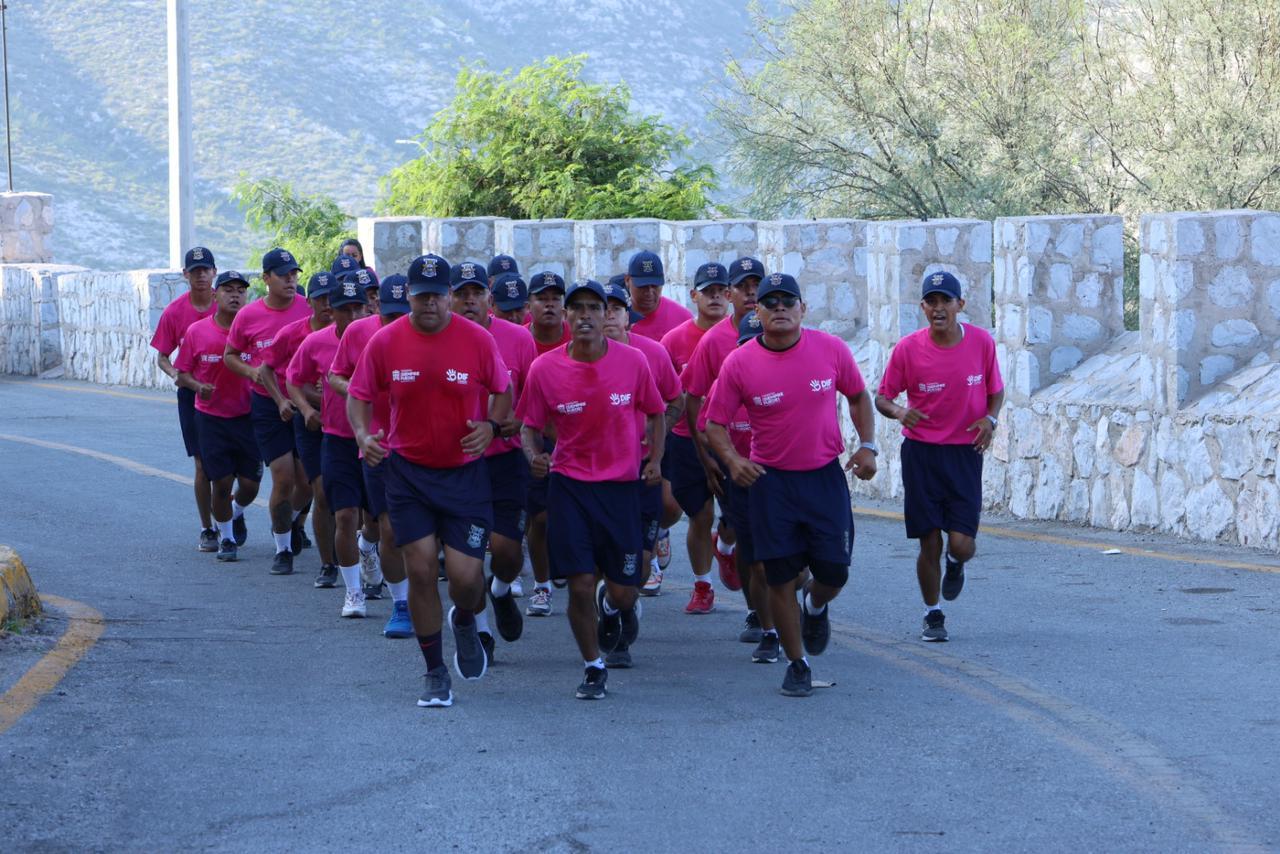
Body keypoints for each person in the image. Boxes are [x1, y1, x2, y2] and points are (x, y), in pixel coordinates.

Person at [348, 254, 513, 709]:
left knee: (466, 579)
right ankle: (435, 672)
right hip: (408, 474)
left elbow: (504, 389)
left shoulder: (477, 340)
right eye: (420, 297)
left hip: (464, 476)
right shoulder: (385, 342)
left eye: (437, 297)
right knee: (420, 569)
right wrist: (364, 435)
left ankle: (464, 618)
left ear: (448, 298)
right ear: (409, 298)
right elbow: (359, 396)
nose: (429, 306)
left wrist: (492, 427)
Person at [704, 272, 878, 698]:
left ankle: (814, 607)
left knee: (834, 570)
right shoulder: (739, 362)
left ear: (803, 309)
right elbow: (714, 422)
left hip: (823, 477)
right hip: (770, 482)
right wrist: (732, 460)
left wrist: (868, 446)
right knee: (778, 575)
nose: (779, 308)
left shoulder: (830, 349)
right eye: (770, 302)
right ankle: (797, 662)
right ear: (756, 311)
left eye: (788, 301)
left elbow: (857, 395)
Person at [517, 279, 665, 699]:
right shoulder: (545, 369)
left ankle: (615, 605)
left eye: (593, 308)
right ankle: (593, 665)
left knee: (624, 588)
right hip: (570, 488)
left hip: (621, 489)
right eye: (576, 308)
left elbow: (656, 414)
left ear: (608, 316)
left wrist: (653, 460)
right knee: (580, 582)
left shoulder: (634, 362)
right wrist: (534, 457)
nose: (584, 315)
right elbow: (529, 428)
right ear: (566, 316)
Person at [874, 271, 1004, 643]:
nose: (938, 308)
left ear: (960, 305)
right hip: (922, 453)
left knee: (962, 544)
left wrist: (990, 420)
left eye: (946, 300)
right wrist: (900, 412)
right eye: (931, 301)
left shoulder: (981, 343)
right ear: (923, 307)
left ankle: (955, 563)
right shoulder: (908, 349)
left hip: (965, 454)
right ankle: (933, 614)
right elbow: (882, 398)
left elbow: (996, 391)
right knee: (928, 539)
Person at [452, 260, 537, 661]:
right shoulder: (438, 339)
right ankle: (480, 630)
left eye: (476, 294)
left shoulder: (519, 338)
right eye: (461, 295)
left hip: (506, 459)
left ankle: (501, 590)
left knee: (506, 551)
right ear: (449, 298)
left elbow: (532, 398)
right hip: (459, 461)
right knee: (467, 556)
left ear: (489, 295)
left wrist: (517, 420)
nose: (470, 302)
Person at [680, 257, 764, 637]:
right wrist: (707, 457)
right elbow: (692, 398)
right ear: (730, 294)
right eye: (743, 286)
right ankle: (755, 610)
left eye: (756, 285)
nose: (750, 293)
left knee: (756, 532)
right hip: (730, 454)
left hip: (776, 454)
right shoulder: (714, 342)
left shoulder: (786, 330)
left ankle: (725, 546)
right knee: (746, 533)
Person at [287, 273, 375, 618]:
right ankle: (350, 589)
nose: (353, 317)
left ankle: (367, 549)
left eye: (359, 309)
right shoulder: (315, 343)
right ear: (331, 311)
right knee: (342, 511)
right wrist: (307, 409)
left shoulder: (379, 339)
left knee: (377, 521)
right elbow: (294, 380)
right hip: (336, 437)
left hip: (374, 438)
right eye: (345, 310)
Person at [329, 274, 412, 639]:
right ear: (376, 306)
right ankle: (402, 604)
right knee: (389, 529)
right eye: (388, 314)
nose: (395, 323)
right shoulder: (361, 334)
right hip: (379, 445)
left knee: (425, 536)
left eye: (402, 314)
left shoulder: (436, 335)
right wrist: (359, 391)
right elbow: (335, 375)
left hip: (428, 449)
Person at [698, 311, 781, 663]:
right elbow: (705, 425)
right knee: (754, 556)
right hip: (742, 478)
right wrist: (721, 461)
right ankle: (763, 621)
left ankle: (795, 602)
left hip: (783, 476)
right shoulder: (730, 379)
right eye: (746, 345)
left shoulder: (786, 375)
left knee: (794, 559)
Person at [224, 248, 313, 575]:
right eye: (282, 275)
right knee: (284, 476)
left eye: (294, 274)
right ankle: (282, 548)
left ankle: (287, 523)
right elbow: (230, 354)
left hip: (305, 400)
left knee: (307, 483)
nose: (290, 280)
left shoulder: (307, 309)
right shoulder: (249, 315)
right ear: (266, 279)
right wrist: (252, 374)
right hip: (267, 402)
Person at [652, 262, 737, 608]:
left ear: (729, 295)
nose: (715, 298)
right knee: (698, 513)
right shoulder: (674, 341)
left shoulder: (746, 337)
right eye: (708, 292)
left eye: (720, 291)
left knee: (734, 517)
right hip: (687, 438)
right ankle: (702, 586)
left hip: (733, 439)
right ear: (694, 295)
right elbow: (665, 392)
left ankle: (726, 545)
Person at [601, 279, 683, 597]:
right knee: (604, 552)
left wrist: (657, 439)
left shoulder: (653, 353)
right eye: (602, 308)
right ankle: (610, 608)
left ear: (628, 317)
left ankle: (623, 601)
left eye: (616, 309)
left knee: (642, 561)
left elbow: (676, 400)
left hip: (644, 464)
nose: (608, 316)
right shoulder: (576, 356)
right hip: (598, 469)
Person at [173, 270, 261, 561]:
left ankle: (236, 514)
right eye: (228, 290)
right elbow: (181, 374)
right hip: (211, 419)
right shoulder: (197, 332)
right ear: (215, 295)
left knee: (249, 485)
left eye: (240, 290)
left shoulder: (253, 331)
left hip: (248, 417)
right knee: (221, 483)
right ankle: (226, 539)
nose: (235, 295)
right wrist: (199, 387)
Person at [266, 271, 338, 578]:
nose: (327, 304)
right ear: (308, 302)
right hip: (299, 415)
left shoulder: (351, 333)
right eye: (320, 298)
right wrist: (283, 401)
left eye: (331, 298)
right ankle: (284, 549)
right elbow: (268, 370)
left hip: (340, 421)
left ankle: (295, 521)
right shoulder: (293, 334)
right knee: (291, 481)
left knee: (313, 488)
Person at [152, 246, 217, 551]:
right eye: (195, 271)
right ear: (185, 275)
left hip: (232, 395)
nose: (201, 275)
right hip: (192, 395)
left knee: (237, 468)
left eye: (206, 269)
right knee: (203, 464)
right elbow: (162, 357)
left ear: (214, 272)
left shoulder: (230, 304)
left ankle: (232, 514)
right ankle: (208, 528)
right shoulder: (175, 312)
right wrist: (175, 374)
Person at [522, 271, 570, 616]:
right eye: (542, 298)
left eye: (555, 298)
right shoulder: (520, 341)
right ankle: (541, 585)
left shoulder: (580, 340)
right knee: (538, 518)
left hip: (580, 440)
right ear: (529, 305)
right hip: (534, 439)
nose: (549, 304)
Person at [626, 250, 692, 342]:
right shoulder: (614, 320)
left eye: (655, 285)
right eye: (642, 286)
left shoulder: (683, 318)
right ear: (627, 280)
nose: (649, 292)